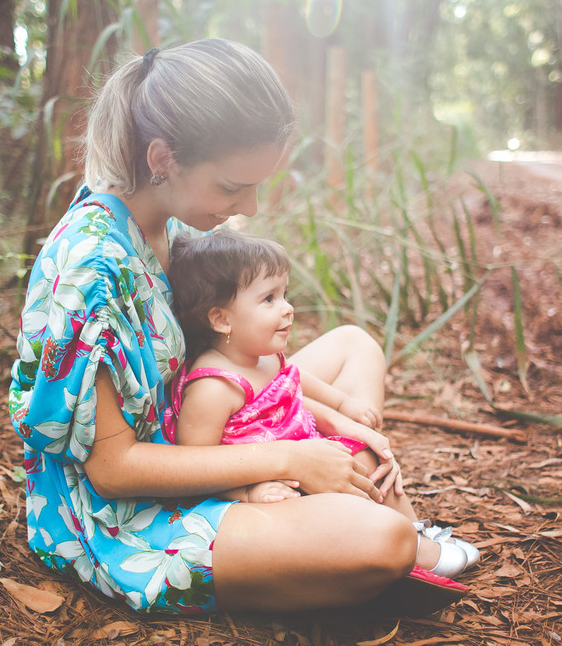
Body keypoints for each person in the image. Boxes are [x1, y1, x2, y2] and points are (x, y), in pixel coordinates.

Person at [10, 38, 472, 615]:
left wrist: (322, 425)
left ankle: (330, 499)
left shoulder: (171, 236)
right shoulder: (91, 271)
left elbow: (230, 362)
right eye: (232, 187)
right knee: (386, 542)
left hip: (212, 425)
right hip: (129, 510)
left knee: (356, 346)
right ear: (161, 159)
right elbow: (112, 469)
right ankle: (341, 522)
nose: (249, 207)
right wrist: (286, 459)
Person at [162, 228, 480, 579]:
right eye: (269, 299)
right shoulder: (214, 386)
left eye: (285, 294)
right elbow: (197, 465)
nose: (287, 308)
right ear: (222, 319)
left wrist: (346, 415)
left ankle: (412, 529)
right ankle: (405, 549)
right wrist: (248, 491)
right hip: (269, 481)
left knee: (364, 458)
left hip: (301, 452)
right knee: (338, 495)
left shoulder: (265, 356)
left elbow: (295, 391)